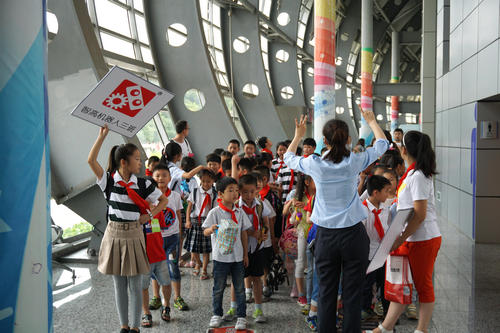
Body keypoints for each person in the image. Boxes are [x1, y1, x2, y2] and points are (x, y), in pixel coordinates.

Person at [284, 109, 389, 333]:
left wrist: (298, 135)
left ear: (324, 141)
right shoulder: (355, 161)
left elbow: (288, 158)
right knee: (352, 293)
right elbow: (382, 144)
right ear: (349, 139)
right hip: (353, 236)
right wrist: (371, 120)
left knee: (326, 292)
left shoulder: (315, 163)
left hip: (326, 236)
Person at [87, 125, 169, 333]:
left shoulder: (143, 184)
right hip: (114, 234)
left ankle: (134, 327)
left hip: (134, 234)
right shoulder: (108, 181)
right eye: (137, 158)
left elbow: (163, 200)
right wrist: (101, 137)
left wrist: (148, 216)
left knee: (134, 285)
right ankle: (124, 326)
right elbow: (91, 161)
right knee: (119, 284)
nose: (140, 162)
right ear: (124, 162)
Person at [368, 131, 441, 333]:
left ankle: (422, 329)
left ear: (404, 150)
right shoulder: (412, 173)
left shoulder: (418, 176)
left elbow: (419, 215)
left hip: (422, 238)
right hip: (412, 237)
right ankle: (385, 328)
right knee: (401, 284)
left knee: (423, 285)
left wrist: (399, 239)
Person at [203, 177, 252, 330]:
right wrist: (211, 230)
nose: (235, 193)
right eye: (230, 190)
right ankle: (217, 314)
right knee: (218, 287)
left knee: (239, 288)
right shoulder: (215, 212)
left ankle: (241, 316)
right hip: (220, 258)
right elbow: (205, 231)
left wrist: (245, 254)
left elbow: (244, 234)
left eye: (236, 190)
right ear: (220, 194)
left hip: (237, 257)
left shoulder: (239, 212)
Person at [150, 164, 189, 312]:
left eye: (164, 175)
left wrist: (179, 237)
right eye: (157, 175)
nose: (161, 178)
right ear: (153, 179)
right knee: (155, 269)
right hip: (156, 239)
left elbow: (178, 216)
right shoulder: (151, 197)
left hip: (173, 238)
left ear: (170, 178)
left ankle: (177, 297)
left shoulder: (175, 196)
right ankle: (156, 297)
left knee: (174, 267)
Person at [236, 175, 271, 323]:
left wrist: (264, 232)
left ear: (256, 190)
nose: (249, 195)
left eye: (252, 191)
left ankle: (258, 309)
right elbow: (236, 227)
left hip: (257, 247)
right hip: (241, 248)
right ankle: (238, 310)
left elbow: (266, 223)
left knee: (257, 278)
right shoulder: (236, 207)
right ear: (239, 192)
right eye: (245, 192)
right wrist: (250, 232)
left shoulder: (260, 205)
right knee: (240, 279)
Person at [360, 175, 392, 321]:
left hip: (383, 253)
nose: (388, 194)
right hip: (368, 254)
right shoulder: (362, 210)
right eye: (386, 191)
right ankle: (365, 308)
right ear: (375, 193)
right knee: (367, 283)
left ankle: (388, 310)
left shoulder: (386, 209)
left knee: (385, 283)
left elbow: (388, 227)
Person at [282, 173, 316, 307]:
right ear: (307, 182)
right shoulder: (298, 197)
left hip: (317, 231)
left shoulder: (320, 194)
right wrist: (297, 209)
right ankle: (301, 295)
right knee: (301, 262)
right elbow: (291, 218)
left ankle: (312, 294)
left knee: (313, 266)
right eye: (315, 179)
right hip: (303, 231)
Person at [184, 169, 217, 279]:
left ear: (213, 181)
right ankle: (198, 263)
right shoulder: (195, 191)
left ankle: (204, 269)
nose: (206, 184)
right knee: (194, 247)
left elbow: (215, 209)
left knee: (205, 249)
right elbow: (189, 207)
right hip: (195, 221)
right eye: (203, 181)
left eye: (208, 181)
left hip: (207, 222)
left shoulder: (215, 194)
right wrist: (188, 220)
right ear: (200, 181)